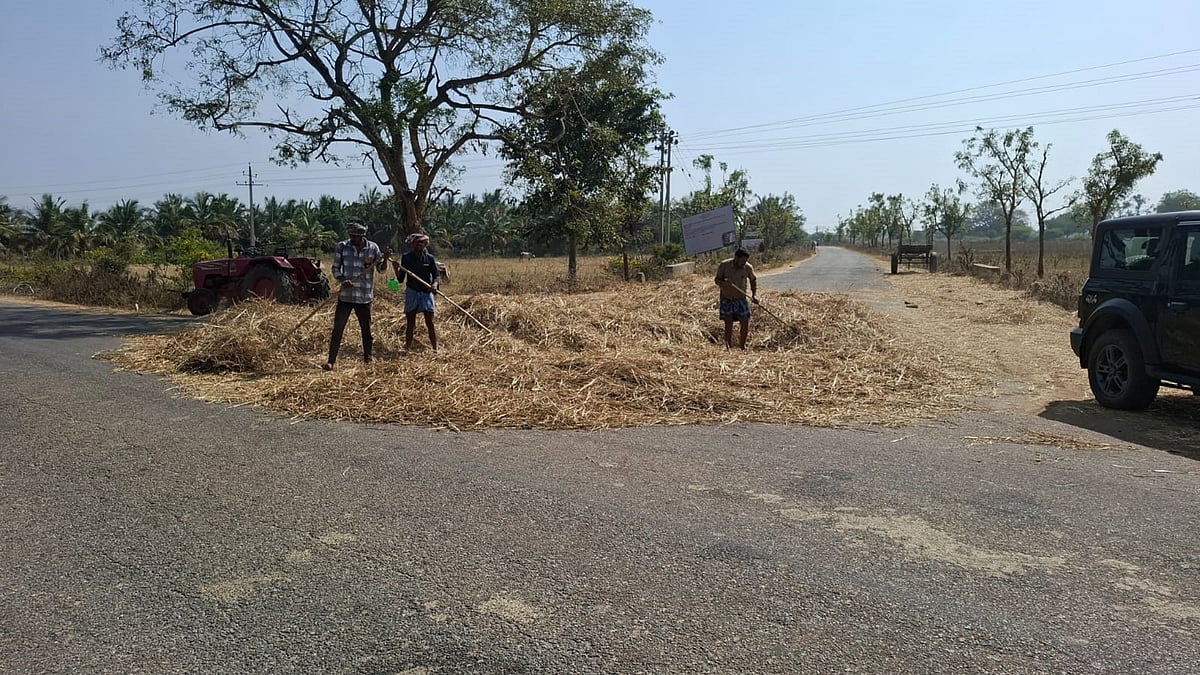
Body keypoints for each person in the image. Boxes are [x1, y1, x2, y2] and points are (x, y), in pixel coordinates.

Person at [323, 221, 389, 370]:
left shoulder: (373, 248)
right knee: (338, 329)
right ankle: (331, 361)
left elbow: (381, 270)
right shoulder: (342, 246)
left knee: (366, 330)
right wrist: (342, 279)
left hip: (364, 297)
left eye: (356, 236)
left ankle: (368, 359)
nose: (353, 238)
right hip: (346, 296)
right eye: (351, 235)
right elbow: (335, 268)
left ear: (362, 236)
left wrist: (384, 259)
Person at [394, 232, 440, 351]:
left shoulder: (429, 258)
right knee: (410, 322)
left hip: (426, 291)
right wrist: (396, 269)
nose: (419, 246)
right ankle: (407, 348)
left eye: (422, 243)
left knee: (429, 321)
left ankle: (435, 349)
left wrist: (434, 284)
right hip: (412, 291)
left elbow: (436, 275)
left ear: (425, 244)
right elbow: (400, 280)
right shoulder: (406, 258)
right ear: (412, 245)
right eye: (416, 243)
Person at [714, 248, 758, 350]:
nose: (744, 263)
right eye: (742, 261)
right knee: (728, 324)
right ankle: (728, 347)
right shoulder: (724, 265)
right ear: (736, 258)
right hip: (727, 298)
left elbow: (753, 280)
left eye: (745, 261)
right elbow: (717, 280)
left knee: (745, 322)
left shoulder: (748, 268)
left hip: (741, 299)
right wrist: (725, 284)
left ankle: (742, 347)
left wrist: (754, 295)